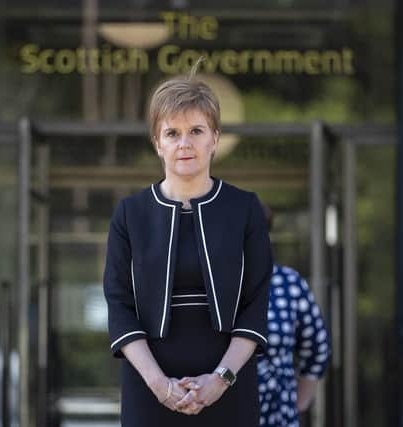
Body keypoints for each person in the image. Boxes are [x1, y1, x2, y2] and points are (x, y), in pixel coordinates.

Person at [103, 66, 273, 427]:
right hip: (148, 384)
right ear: (157, 142)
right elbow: (119, 304)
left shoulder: (245, 209)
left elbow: (256, 303)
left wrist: (220, 379)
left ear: (215, 138)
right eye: (172, 133)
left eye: (196, 131)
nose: (185, 143)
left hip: (228, 381)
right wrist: (159, 385)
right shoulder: (130, 214)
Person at [257, 205, 331, 427]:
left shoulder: (288, 282)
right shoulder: (206, 283)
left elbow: (317, 348)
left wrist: (298, 401)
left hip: (277, 412)